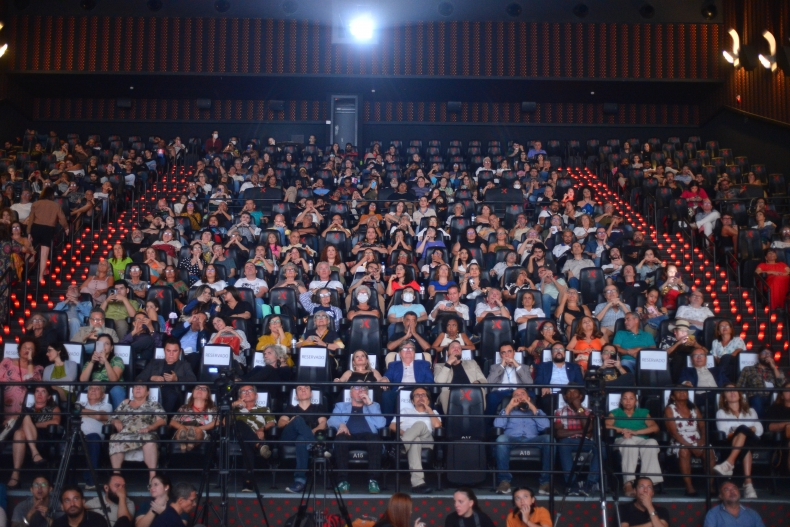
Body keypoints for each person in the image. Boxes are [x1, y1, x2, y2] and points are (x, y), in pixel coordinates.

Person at [327, 385, 387, 494]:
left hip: (368, 435)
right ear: (350, 394)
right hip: (347, 434)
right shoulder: (341, 406)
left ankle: (373, 480)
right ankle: (343, 481)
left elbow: (381, 424)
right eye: (356, 388)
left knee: (375, 440)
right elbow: (331, 420)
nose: (360, 390)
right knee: (340, 439)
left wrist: (369, 404)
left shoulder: (374, 405)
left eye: (363, 388)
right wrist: (341, 424)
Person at [605, 390, 663, 497]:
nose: (628, 401)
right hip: (623, 439)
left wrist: (636, 432)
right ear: (621, 401)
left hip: (640, 439)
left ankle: (648, 484)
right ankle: (628, 483)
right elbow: (606, 425)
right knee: (629, 442)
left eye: (631, 398)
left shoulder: (643, 412)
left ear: (635, 401)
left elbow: (655, 427)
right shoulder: (615, 412)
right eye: (625, 398)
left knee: (652, 442)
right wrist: (622, 430)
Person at [494, 388, 551, 495]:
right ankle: (504, 481)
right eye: (516, 395)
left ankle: (545, 483)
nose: (520, 396)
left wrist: (532, 408)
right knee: (501, 439)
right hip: (512, 439)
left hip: (533, 439)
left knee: (549, 439)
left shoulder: (537, 411)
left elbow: (546, 426)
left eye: (522, 394)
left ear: (528, 398)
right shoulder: (507, 410)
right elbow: (498, 426)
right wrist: (509, 407)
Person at [713, 384, 763, 499]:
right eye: (728, 391)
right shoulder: (721, 413)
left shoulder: (751, 411)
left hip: (752, 440)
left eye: (735, 390)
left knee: (743, 430)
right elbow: (724, 432)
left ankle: (729, 463)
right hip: (732, 443)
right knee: (744, 438)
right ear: (724, 397)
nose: (732, 392)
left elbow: (759, 428)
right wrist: (745, 430)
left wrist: (743, 430)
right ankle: (748, 484)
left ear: (740, 395)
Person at [664, 386, 716, 496]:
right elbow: (673, 433)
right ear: (673, 396)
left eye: (685, 391)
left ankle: (710, 485)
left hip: (696, 439)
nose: (682, 392)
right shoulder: (669, 409)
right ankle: (689, 487)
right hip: (679, 440)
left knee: (708, 451)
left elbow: (703, 427)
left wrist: (701, 442)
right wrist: (691, 446)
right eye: (679, 391)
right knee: (684, 451)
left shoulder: (694, 408)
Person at [389, 386, 442, 493]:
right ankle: (418, 484)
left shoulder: (434, 413)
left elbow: (437, 426)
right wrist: (408, 434)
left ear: (428, 399)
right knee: (415, 440)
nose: (420, 397)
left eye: (423, 395)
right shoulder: (405, 411)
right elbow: (392, 426)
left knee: (420, 424)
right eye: (417, 395)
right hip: (412, 441)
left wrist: (429, 410)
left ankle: (401, 446)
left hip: (427, 440)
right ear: (412, 401)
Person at [109, 384, 167, 481]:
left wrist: (151, 427)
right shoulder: (125, 403)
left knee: (150, 441)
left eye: (142, 387)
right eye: (135, 387)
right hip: (125, 433)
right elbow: (112, 417)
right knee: (115, 438)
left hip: (145, 432)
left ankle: (152, 478)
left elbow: (162, 420)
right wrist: (116, 421)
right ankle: (116, 477)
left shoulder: (153, 404)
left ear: (148, 392)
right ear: (132, 391)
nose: (138, 388)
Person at [552, 385, 601, 496]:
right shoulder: (559, 412)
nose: (572, 395)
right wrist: (580, 432)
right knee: (562, 444)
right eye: (569, 392)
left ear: (581, 396)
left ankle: (590, 483)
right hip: (568, 442)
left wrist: (579, 409)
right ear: (564, 396)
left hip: (587, 442)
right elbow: (559, 433)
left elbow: (589, 429)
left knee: (601, 446)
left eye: (575, 392)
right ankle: (572, 484)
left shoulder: (589, 412)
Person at [7, 386, 60, 489]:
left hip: (43, 437)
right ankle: (33, 454)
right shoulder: (28, 409)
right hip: (23, 440)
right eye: (37, 391)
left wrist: (32, 425)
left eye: (43, 391)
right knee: (18, 433)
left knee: (25, 418)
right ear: (34, 394)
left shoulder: (53, 408)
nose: (39, 394)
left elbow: (56, 421)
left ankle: (15, 476)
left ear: (48, 396)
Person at [232, 384, 275, 493]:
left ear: (256, 396)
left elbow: (271, 422)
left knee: (246, 444)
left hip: (255, 437)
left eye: (250, 390)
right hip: (238, 437)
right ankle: (258, 445)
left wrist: (262, 429)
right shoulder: (234, 409)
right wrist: (232, 406)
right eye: (243, 391)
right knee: (240, 423)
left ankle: (247, 482)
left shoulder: (264, 409)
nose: (246, 392)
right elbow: (223, 423)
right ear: (239, 396)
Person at [135, 338, 196, 413]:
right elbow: (139, 378)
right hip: (153, 392)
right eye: (168, 351)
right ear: (164, 351)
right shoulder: (154, 363)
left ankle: (163, 420)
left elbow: (193, 380)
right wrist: (151, 377)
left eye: (174, 351)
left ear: (180, 352)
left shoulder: (184, 365)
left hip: (173, 395)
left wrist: (177, 379)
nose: (171, 354)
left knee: (170, 395)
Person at [0, 337, 44, 441]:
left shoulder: (38, 369)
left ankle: (4, 435)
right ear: (19, 350)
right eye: (24, 347)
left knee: (21, 425)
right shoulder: (8, 362)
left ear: (35, 353)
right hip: (4, 407)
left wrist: (29, 360)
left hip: (25, 410)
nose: (27, 350)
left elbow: (30, 380)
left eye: (31, 349)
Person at [24, 187, 69, 283]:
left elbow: (31, 219)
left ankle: (27, 271)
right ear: (52, 195)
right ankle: (41, 276)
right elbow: (62, 218)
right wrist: (66, 228)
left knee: (31, 250)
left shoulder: (36, 204)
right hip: (48, 229)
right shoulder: (55, 205)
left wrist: (28, 232)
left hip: (35, 227)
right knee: (44, 253)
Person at [532, 343, 584, 415]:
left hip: (569, 394)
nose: (558, 351)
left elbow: (580, 383)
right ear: (551, 354)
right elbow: (538, 381)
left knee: (576, 399)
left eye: (561, 349)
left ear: (565, 353)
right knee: (546, 400)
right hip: (551, 394)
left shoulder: (574, 367)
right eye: (555, 350)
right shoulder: (542, 366)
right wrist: (544, 386)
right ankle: (551, 425)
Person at [434, 341, 486, 412]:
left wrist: (478, 382)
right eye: (453, 347)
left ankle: (478, 419)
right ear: (447, 353)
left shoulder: (472, 363)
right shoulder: (439, 366)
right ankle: (451, 421)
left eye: (459, 348)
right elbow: (439, 382)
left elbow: (483, 379)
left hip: (471, 392)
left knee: (481, 391)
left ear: (461, 352)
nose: (456, 349)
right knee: (443, 395)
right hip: (450, 394)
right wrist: (448, 363)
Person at [736, 346, 785, 418]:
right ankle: (762, 425)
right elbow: (739, 387)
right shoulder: (748, 369)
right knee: (757, 399)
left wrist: (774, 367)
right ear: (758, 355)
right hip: (755, 397)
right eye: (764, 353)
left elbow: (783, 386)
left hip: (771, 398)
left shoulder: (776, 371)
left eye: (769, 354)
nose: (767, 355)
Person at [486, 342, 534, 415]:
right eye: (503, 353)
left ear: (514, 352)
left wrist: (517, 366)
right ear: (500, 355)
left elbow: (530, 383)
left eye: (509, 351)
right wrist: (501, 366)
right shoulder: (494, 367)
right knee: (491, 397)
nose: (507, 355)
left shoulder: (524, 367)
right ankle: (489, 424)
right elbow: (489, 382)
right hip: (501, 392)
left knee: (532, 394)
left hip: (518, 391)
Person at [79, 385, 112, 489]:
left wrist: (83, 412)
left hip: (94, 438)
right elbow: (73, 413)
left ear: (102, 395)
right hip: (77, 436)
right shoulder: (79, 404)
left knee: (93, 437)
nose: (93, 390)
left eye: (97, 388)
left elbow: (99, 416)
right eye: (91, 388)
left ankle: (91, 481)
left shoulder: (107, 406)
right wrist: (94, 415)